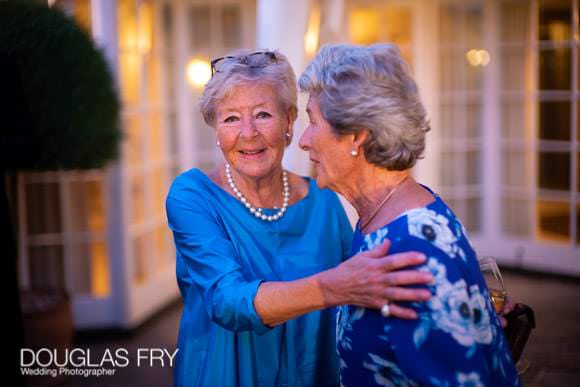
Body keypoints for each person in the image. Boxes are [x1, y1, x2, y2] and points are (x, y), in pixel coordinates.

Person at [165, 50, 434, 387]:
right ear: (216, 129)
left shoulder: (322, 202)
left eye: (263, 114)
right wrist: (333, 287)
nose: (248, 133)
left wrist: (443, 306)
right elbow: (226, 301)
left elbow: (367, 287)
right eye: (231, 118)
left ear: (289, 121)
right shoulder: (193, 197)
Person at [298, 43, 521, 386]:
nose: (303, 140)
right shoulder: (379, 219)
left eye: (313, 122)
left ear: (357, 135)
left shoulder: (410, 249)